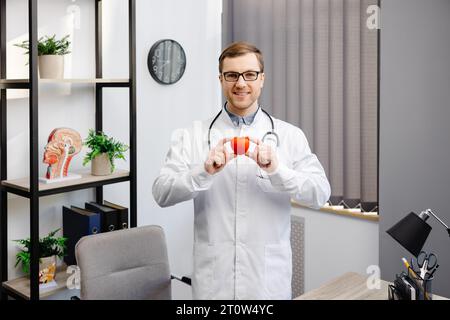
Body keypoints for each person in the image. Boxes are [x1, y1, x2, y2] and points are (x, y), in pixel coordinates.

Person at [152, 42, 330, 300]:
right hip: (215, 283)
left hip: (267, 283)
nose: (241, 83)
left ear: (262, 79)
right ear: (221, 79)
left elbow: (320, 194)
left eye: (249, 74)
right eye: (231, 75)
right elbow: (162, 193)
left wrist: (278, 170)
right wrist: (203, 171)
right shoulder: (193, 135)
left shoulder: (289, 136)